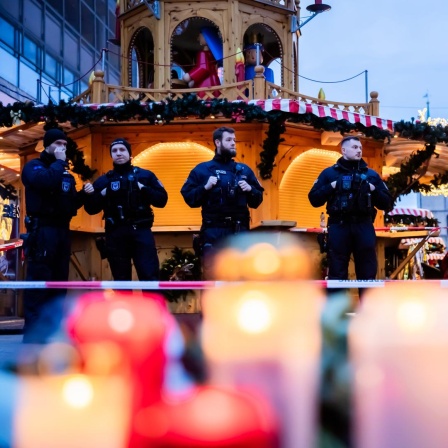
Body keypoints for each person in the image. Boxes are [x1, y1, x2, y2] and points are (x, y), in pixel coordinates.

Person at [21, 128, 94, 343]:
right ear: (47, 145)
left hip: (62, 231)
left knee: (59, 282)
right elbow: (44, 182)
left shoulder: (64, 174)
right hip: (42, 231)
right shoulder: (34, 166)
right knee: (39, 282)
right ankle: (34, 335)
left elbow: (69, 205)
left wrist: (83, 195)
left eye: (64, 144)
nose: (62, 148)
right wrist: (60, 163)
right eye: (58, 144)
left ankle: (54, 331)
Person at [308, 135, 393, 286]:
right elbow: (314, 199)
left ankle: (367, 309)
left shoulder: (371, 175)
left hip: (364, 225)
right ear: (343, 150)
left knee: (367, 272)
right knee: (337, 272)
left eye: (360, 148)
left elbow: (387, 203)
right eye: (354, 147)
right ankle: (338, 309)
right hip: (339, 226)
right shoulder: (329, 174)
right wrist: (333, 186)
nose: (359, 150)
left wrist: (372, 189)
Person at [181, 126, 264, 278]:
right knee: (213, 279)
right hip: (213, 231)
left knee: (242, 278)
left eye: (234, 140)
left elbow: (257, 200)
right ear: (217, 142)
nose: (233, 143)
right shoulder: (203, 170)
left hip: (240, 232)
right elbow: (189, 198)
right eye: (229, 140)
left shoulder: (244, 170)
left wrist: (250, 190)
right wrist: (205, 187)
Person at [84, 138, 168, 281]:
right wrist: (101, 193)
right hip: (115, 234)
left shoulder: (145, 176)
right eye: (114, 151)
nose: (118, 153)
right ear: (111, 155)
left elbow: (162, 200)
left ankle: (151, 304)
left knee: (149, 276)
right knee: (121, 280)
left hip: (140, 232)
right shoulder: (104, 181)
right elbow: (90, 209)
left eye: (122, 150)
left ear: (130, 155)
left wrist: (143, 188)